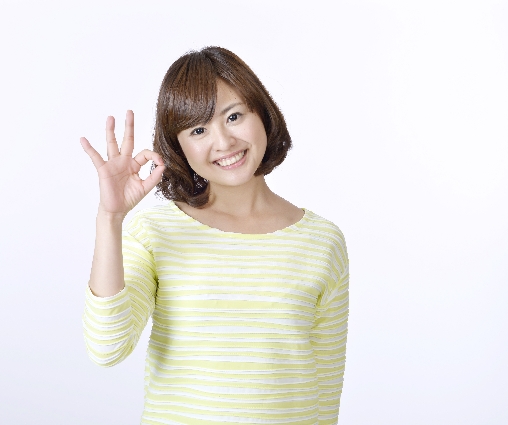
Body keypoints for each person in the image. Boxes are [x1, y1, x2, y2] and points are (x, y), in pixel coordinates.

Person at [79, 46, 350, 425]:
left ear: (263, 114)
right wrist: (110, 218)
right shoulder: (155, 232)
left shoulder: (322, 241)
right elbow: (107, 347)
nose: (223, 142)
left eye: (234, 116)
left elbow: (325, 388)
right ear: (178, 146)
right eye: (199, 129)